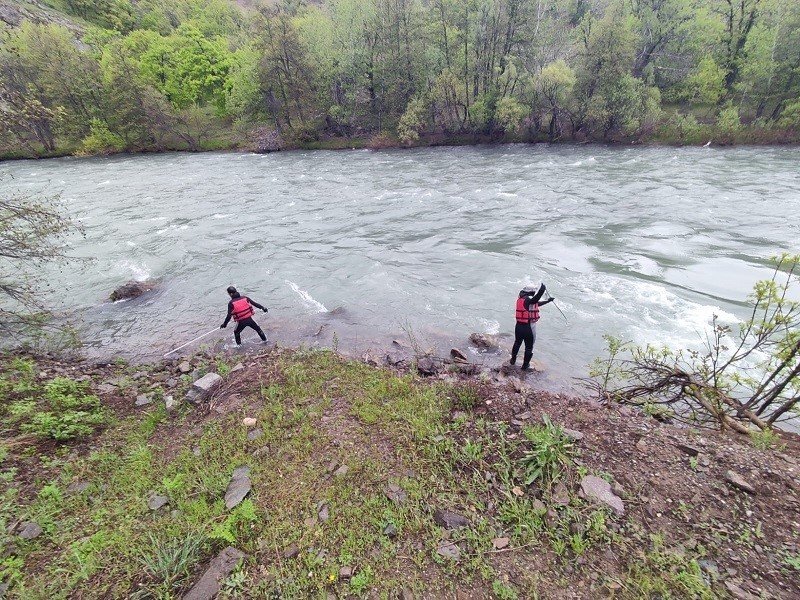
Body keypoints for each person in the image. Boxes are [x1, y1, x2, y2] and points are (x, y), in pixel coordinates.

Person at [510, 283, 554, 370]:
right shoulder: (529, 300)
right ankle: (525, 366)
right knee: (529, 347)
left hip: (518, 326)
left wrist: (548, 301)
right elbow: (536, 298)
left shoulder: (521, 299)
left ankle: (513, 360)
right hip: (528, 327)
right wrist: (542, 288)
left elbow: (536, 303)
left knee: (517, 343)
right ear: (531, 292)